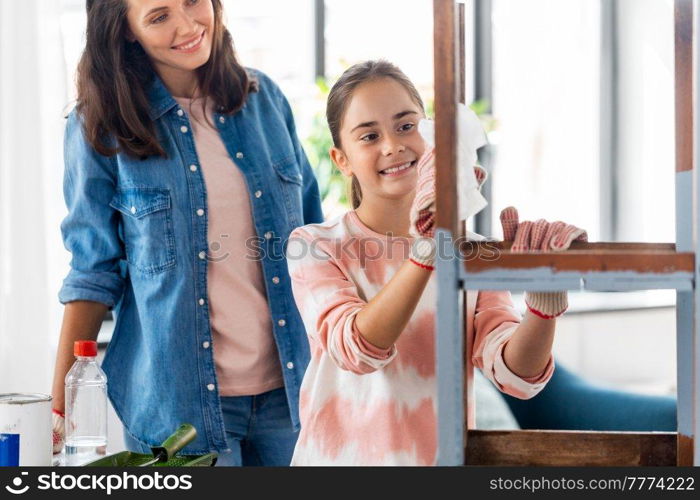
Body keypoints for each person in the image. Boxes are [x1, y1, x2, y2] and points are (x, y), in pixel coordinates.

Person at [51, 0, 323, 466]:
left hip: (295, 393)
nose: (187, 25)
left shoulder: (266, 101)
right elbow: (92, 273)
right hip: (180, 409)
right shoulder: (100, 126)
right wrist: (59, 407)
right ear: (128, 31)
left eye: (193, 2)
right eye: (158, 16)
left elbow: (317, 244)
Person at [285, 60, 587, 466]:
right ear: (342, 160)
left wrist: (543, 300)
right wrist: (428, 249)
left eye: (406, 126)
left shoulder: (472, 251)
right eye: (369, 136)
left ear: (429, 134)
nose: (392, 145)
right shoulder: (315, 246)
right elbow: (357, 351)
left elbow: (515, 376)